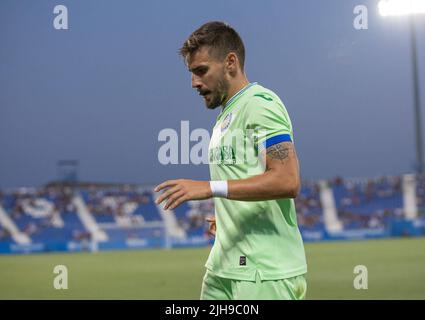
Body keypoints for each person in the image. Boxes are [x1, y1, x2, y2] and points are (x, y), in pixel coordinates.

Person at [155, 21, 307, 300]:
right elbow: (245, 177)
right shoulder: (227, 115)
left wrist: (209, 188)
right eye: (191, 73)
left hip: (263, 271)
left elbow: (287, 180)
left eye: (201, 71)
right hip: (223, 267)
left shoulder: (261, 105)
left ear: (230, 63)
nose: (194, 83)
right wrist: (227, 215)